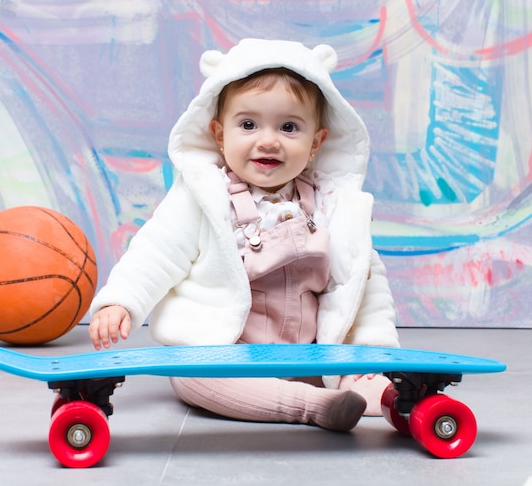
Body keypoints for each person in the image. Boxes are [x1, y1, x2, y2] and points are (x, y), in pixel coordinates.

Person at [89, 38, 399, 432]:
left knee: (371, 379)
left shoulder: (333, 205)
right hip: (226, 354)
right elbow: (156, 251)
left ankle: (379, 396)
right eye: (248, 124)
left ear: (316, 142)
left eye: (289, 127)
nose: (267, 140)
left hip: (312, 358)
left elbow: (362, 280)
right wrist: (121, 303)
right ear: (220, 134)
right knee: (192, 375)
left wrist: (373, 346)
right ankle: (312, 407)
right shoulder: (203, 197)